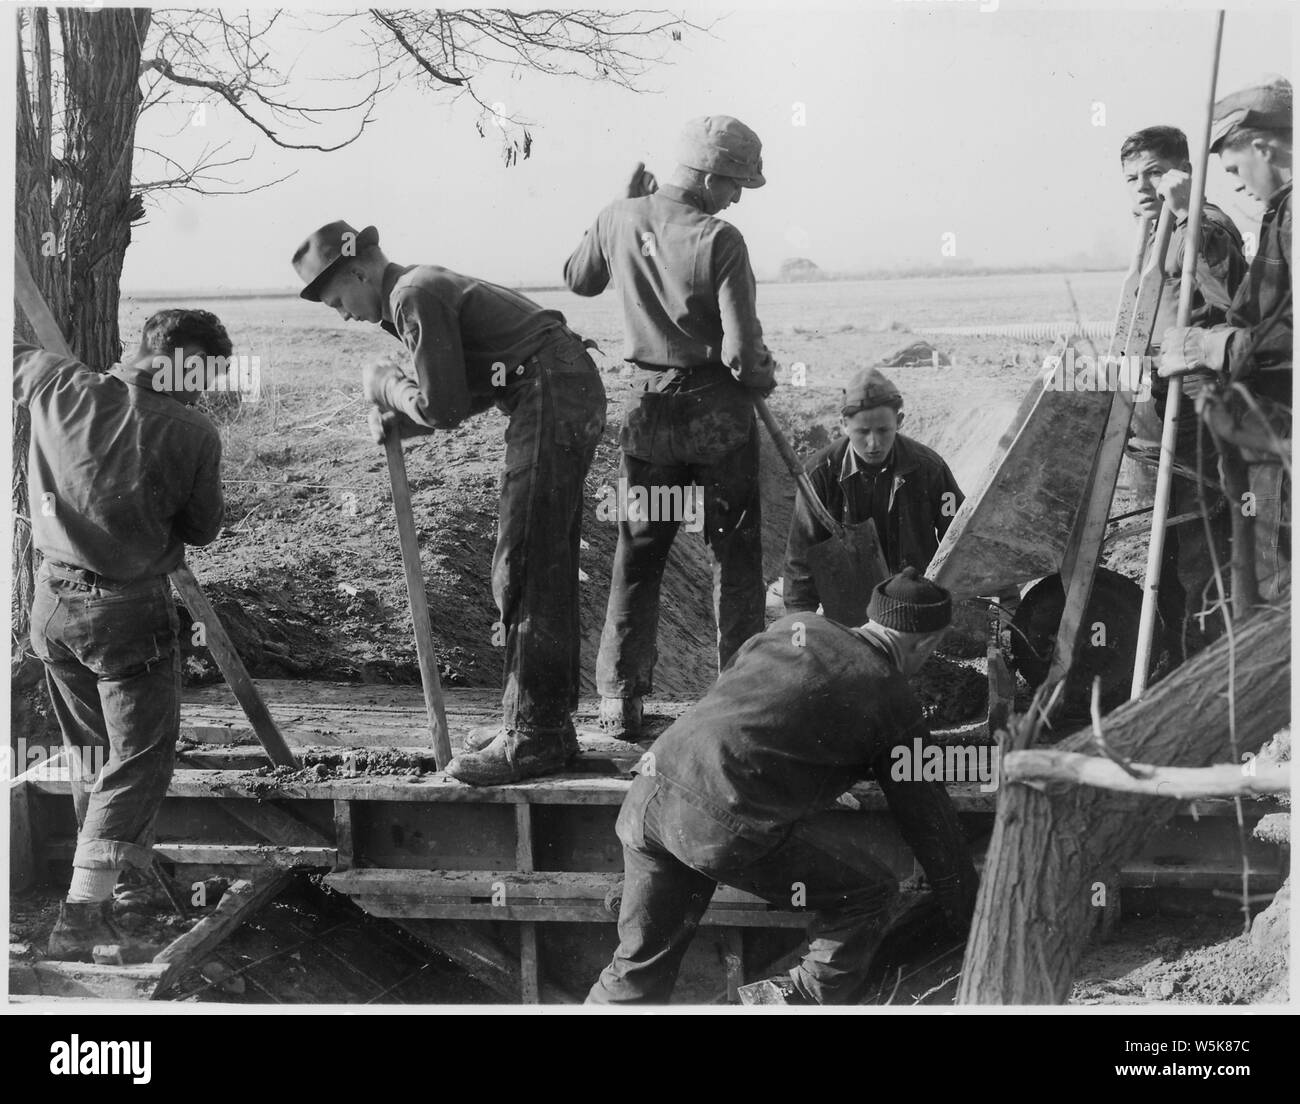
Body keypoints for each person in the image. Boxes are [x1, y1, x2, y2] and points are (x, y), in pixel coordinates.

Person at [292, 221, 607, 784]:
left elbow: (442, 408)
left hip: (552, 393)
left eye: (338, 299)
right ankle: (538, 724)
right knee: (540, 565)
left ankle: (535, 738)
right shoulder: (416, 289)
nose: (341, 314)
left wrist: (387, 387)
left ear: (360, 271)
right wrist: (398, 417)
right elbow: (461, 396)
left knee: (526, 566)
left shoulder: (412, 294)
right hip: (559, 387)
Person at [587, 569, 979, 1005]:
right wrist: (970, 909)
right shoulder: (891, 696)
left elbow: (750, 706)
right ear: (925, 643)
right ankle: (794, 1000)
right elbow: (927, 817)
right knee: (868, 897)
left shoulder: (797, 627)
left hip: (649, 796)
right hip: (718, 825)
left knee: (636, 968)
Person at [14, 311, 229, 960]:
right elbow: (202, 529)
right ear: (180, 359)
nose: (206, 388)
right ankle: (82, 916)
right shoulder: (191, 432)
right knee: (137, 761)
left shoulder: (54, 383)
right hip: (128, 616)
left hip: (52, 608)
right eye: (205, 373)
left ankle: (122, 880)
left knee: (92, 755)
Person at [564, 116, 777, 740]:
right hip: (718, 419)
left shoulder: (620, 217)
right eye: (736, 185)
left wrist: (617, 202)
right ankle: (741, 693)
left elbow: (580, 279)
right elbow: (742, 355)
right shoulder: (722, 238)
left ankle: (619, 695)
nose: (737, 198)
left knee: (640, 550)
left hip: (649, 415)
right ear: (710, 176)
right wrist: (763, 375)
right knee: (734, 559)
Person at [1160, 80, 1292, 606]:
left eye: (1234, 168)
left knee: (1275, 589)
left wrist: (1211, 348)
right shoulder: (1280, 214)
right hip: (1261, 434)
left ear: (1264, 146)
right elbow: (1247, 309)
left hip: (1279, 435)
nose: (1234, 185)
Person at [1119, 125, 1248, 655]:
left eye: (1154, 172)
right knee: (1167, 556)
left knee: (1200, 554)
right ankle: (1171, 664)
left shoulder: (1205, 226)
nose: (1142, 187)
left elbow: (1237, 298)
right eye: (1132, 178)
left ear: (1184, 172)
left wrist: (1190, 217)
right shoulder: (1155, 232)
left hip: (1195, 411)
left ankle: (1210, 676)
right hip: (1157, 414)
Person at [783, 367, 963, 618]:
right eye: (862, 432)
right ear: (843, 425)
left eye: (883, 430)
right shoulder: (819, 474)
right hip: (851, 613)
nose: (873, 444)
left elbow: (958, 536)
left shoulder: (930, 468)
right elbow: (800, 560)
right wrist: (798, 627)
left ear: (899, 422)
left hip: (914, 610)